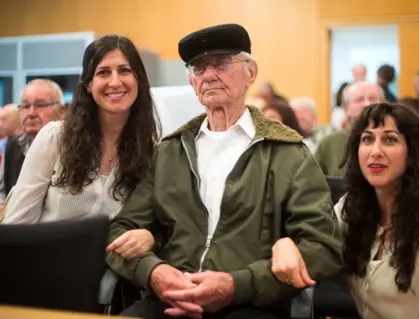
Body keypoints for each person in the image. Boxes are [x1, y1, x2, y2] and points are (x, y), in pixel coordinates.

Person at [106, 23, 344, 319]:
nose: (207, 75)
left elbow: (324, 247)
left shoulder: (287, 152)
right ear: (192, 83)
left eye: (221, 63)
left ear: (251, 73)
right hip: (170, 300)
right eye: (197, 67)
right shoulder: (170, 151)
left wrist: (237, 285)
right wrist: (155, 272)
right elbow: (121, 230)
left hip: (251, 304)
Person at [271, 103, 419, 318]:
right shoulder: (352, 207)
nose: (375, 151)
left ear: (412, 153)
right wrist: (284, 243)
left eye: (390, 139)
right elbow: (318, 243)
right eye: (367, 139)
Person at [2, 35, 160, 259]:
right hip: (42, 271)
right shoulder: (56, 137)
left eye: (124, 70)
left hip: (108, 283)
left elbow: (151, 222)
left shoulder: (149, 151)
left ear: (139, 81)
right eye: (103, 72)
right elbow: (16, 225)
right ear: (88, 84)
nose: (115, 82)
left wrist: (151, 236)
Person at [0, 79, 62, 211]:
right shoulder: (13, 145)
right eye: (25, 106)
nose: (31, 113)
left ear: (60, 110)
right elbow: (2, 194)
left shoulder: (73, 147)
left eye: (40, 105)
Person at [315, 81, 384, 177]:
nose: (367, 104)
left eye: (372, 99)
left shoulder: (395, 141)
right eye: (359, 100)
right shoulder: (329, 144)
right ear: (347, 109)